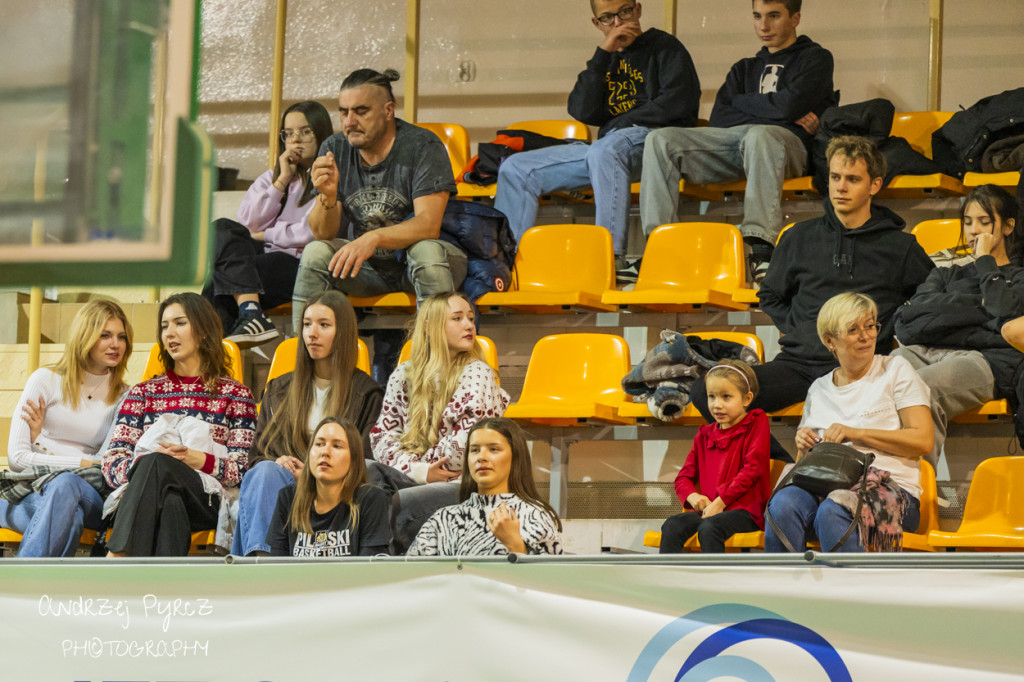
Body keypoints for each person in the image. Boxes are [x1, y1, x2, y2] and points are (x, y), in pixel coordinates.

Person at [688, 135, 934, 460]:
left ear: (875, 185)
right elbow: (772, 296)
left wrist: (891, 328)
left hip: (863, 371)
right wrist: (801, 329)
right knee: (706, 392)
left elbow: (931, 299)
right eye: (835, 178)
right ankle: (786, 467)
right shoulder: (799, 237)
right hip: (798, 365)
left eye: (852, 179)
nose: (841, 187)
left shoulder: (901, 248)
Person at [493, 0, 699, 281]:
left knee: (606, 149)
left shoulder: (665, 47)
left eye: (625, 12)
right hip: (608, 147)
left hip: (654, 140)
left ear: (638, 10)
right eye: (607, 18)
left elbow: (681, 104)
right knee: (516, 167)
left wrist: (621, 125)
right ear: (597, 24)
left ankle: (611, 258)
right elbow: (581, 110)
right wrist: (603, 54)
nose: (618, 22)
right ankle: (503, 267)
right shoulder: (606, 58)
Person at [639, 0, 837, 282]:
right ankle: (659, 249)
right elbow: (721, 118)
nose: (763, 26)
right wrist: (779, 110)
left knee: (761, 135)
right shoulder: (743, 68)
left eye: (773, 16)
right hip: (736, 145)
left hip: (788, 148)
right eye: (757, 16)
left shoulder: (815, 58)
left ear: (795, 18)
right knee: (659, 139)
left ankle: (761, 247)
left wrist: (747, 104)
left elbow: (789, 105)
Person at [292, 67, 462, 332]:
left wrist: (373, 238)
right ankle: (299, 363)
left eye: (361, 111)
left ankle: (436, 365)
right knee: (315, 253)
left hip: (423, 261)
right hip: (368, 269)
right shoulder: (334, 148)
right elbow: (322, 233)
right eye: (344, 112)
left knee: (425, 251)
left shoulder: (423, 146)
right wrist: (327, 195)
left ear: (388, 110)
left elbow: (429, 225)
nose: (349, 121)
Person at [764, 293, 933, 553]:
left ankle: (849, 592)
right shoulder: (819, 389)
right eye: (853, 330)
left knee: (835, 508)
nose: (866, 336)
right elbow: (805, 466)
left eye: (870, 326)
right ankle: (787, 590)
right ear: (829, 340)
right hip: (824, 487)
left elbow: (923, 440)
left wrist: (857, 433)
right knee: (783, 504)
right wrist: (803, 446)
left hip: (895, 496)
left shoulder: (895, 369)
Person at [102, 293, 257, 556]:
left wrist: (197, 459)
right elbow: (112, 462)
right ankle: (164, 592)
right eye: (164, 326)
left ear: (204, 330)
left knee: (158, 463)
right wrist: (146, 467)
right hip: (155, 499)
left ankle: (117, 556)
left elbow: (241, 470)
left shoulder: (235, 395)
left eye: (180, 323)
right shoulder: (143, 394)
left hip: (206, 499)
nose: (169, 334)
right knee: (169, 498)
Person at [232, 291, 383, 556]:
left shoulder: (367, 393)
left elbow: (367, 462)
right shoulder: (279, 389)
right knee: (265, 471)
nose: (312, 333)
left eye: (324, 325)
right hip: (282, 488)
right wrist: (277, 463)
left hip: (335, 492)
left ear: (344, 331)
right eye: (307, 324)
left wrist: (315, 474)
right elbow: (257, 456)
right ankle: (262, 563)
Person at [894, 185, 1023, 464]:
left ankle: (912, 489)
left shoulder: (1019, 278)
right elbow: (908, 322)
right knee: (881, 377)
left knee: (921, 391)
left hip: (986, 360)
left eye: (984, 222)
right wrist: (980, 309)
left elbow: (1006, 316)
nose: (974, 230)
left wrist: (986, 262)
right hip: (927, 350)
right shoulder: (945, 274)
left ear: (1008, 226)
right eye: (967, 222)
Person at [371, 292, 509, 553]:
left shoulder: (478, 373)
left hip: (462, 485)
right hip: (416, 476)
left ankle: (380, 569)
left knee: (399, 502)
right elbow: (382, 439)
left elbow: (464, 448)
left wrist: (419, 466)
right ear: (430, 327)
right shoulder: (404, 374)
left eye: (470, 317)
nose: (469, 325)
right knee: (368, 471)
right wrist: (422, 471)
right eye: (457, 318)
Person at [2, 300, 132, 557]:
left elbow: (103, 465)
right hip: (29, 490)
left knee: (65, 484)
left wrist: (41, 443)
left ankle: (19, 589)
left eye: (121, 337)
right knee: (67, 518)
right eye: (105, 335)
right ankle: (42, 592)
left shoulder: (125, 397)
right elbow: (17, 459)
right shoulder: (45, 380)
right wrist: (83, 461)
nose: (115, 344)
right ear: (85, 336)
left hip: (88, 493)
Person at [202, 101, 334, 346]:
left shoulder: (329, 177)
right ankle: (251, 314)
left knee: (219, 283)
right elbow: (247, 224)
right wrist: (281, 181)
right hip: (262, 262)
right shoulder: (271, 178)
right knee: (220, 228)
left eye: (305, 132)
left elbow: (311, 234)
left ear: (321, 132)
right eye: (289, 133)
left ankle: (208, 366)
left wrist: (265, 235)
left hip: (301, 265)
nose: (296, 140)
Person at [407, 418, 562, 556]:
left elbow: (552, 583)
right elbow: (411, 581)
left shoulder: (536, 516)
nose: (481, 457)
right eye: (474, 450)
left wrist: (515, 545)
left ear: (516, 456)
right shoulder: (442, 519)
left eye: (493, 449)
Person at [659, 360, 770, 554]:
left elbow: (752, 470)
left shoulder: (756, 422)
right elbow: (683, 478)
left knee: (710, 528)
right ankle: (670, 581)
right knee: (672, 525)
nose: (717, 405)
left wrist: (720, 502)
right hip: (710, 510)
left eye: (726, 397)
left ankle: (715, 583)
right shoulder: (704, 434)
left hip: (745, 512)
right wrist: (693, 497)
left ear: (746, 398)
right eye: (711, 397)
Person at [267, 418, 391, 557]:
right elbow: (277, 568)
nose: (325, 452)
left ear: (354, 458)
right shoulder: (288, 498)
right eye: (319, 444)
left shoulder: (370, 499)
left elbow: (369, 572)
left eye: (337, 446)